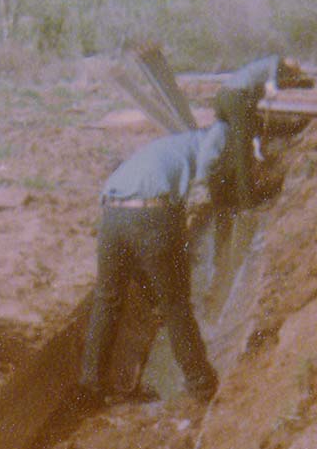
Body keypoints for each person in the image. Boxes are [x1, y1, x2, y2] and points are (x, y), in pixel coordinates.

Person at [78, 122, 227, 408]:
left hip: (112, 216)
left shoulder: (167, 146)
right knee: (176, 305)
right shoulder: (218, 134)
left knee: (107, 301)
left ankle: (91, 387)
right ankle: (202, 384)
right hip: (151, 216)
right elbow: (209, 166)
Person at [210, 55, 311, 209]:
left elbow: (251, 115)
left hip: (222, 97)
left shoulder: (260, 71)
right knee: (242, 150)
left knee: (230, 147)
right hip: (235, 98)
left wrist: (257, 141)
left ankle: (226, 194)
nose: (289, 83)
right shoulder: (275, 64)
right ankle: (248, 202)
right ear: (287, 70)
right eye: (291, 78)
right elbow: (271, 84)